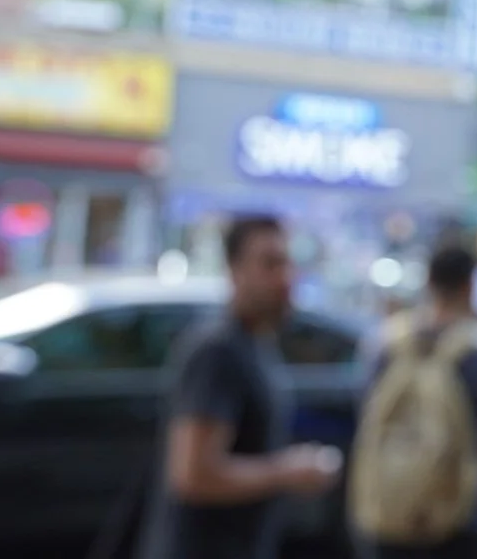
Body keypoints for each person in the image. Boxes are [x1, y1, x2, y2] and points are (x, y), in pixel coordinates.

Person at [137, 216, 340, 559]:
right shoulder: (218, 350)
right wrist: (288, 471)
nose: (284, 278)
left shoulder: (255, 344)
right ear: (234, 270)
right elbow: (194, 475)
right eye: (270, 263)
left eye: (287, 263)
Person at [352, 244, 477, 559]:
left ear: (429, 282)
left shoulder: (386, 351)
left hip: (390, 521)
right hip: (463, 524)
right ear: (470, 287)